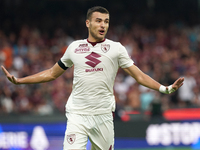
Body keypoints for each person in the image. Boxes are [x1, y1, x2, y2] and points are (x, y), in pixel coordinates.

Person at [1, 6, 184, 150]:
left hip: (103, 115)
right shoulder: (74, 47)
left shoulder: (116, 49)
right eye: (98, 21)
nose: (103, 25)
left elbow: (138, 75)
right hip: (77, 115)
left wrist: (164, 88)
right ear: (88, 23)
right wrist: (20, 81)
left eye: (106, 21)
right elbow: (51, 73)